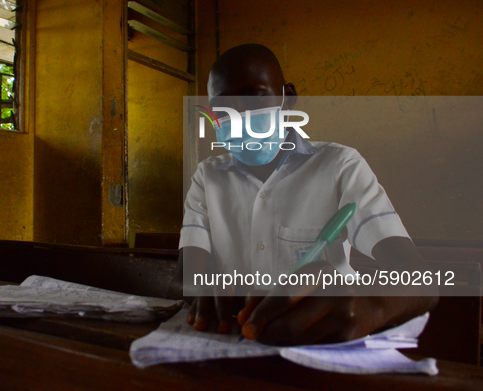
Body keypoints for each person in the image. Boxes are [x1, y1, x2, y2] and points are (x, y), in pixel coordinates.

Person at [168, 44, 438, 346]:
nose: (240, 115)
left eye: (256, 96)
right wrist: (206, 289)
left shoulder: (340, 165)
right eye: (224, 107)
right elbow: (185, 277)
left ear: (288, 98)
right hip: (231, 341)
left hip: (320, 344)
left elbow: (419, 280)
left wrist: (370, 307)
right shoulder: (208, 177)